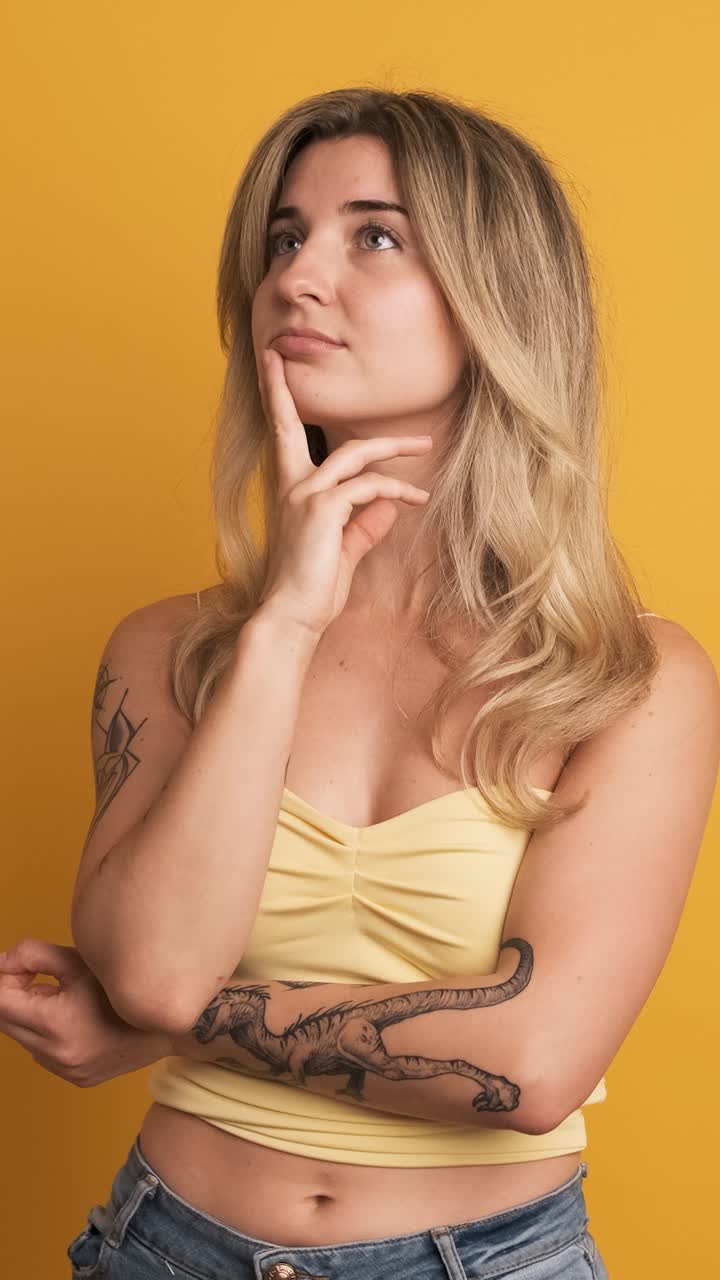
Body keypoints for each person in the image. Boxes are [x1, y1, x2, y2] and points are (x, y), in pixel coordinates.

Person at [1, 86, 718, 1280]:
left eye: (373, 235)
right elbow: (156, 965)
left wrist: (158, 1025)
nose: (296, 275)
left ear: (496, 295)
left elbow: (533, 1064)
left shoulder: (627, 677)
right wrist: (283, 626)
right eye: (285, 238)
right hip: (162, 1247)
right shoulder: (172, 649)